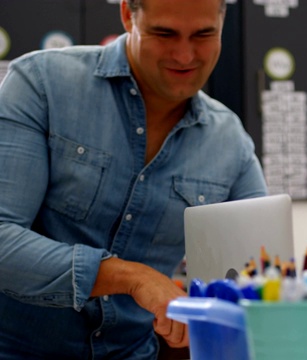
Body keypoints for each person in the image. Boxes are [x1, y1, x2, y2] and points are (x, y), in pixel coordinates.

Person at [0, 0, 268, 358]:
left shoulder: (230, 141)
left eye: (204, 34)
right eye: (164, 33)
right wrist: (131, 277)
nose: (185, 54)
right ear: (128, 14)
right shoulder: (42, 84)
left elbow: (260, 272)